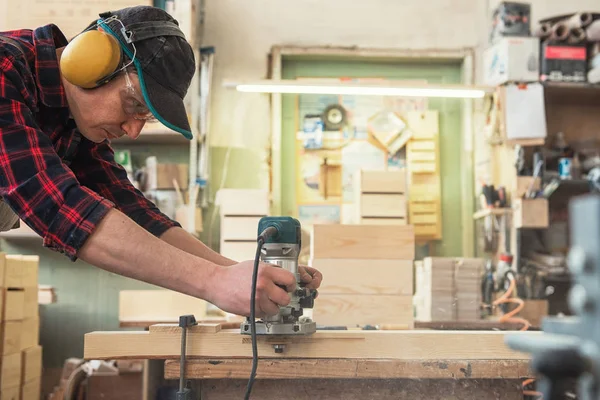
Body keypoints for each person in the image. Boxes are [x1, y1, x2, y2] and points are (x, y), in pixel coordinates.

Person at [0, 5, 321, 318]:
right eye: (133, 105)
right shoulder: (4, 70)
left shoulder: (72, 118)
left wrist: (243, 276)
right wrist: (214, 282)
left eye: (145, 117)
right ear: (89, 62)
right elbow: (61, 209)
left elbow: (137, 214)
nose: (133, 131)